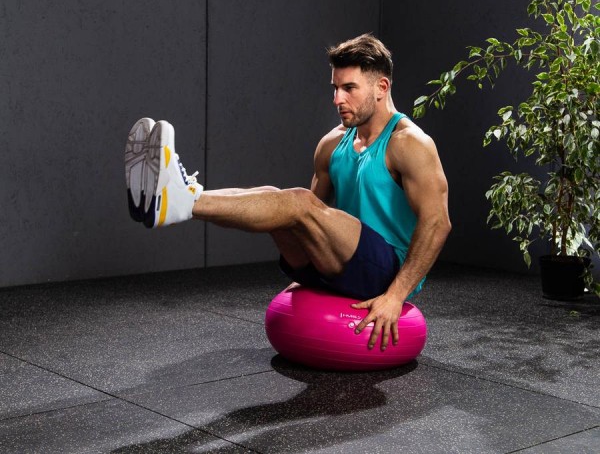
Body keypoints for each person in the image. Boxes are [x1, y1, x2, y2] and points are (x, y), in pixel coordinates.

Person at [125, 34, 451, 351]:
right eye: (335, 88)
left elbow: (437, 223)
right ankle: (178, 199)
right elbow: (310, 216)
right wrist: (307, 272)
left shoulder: (409, 143)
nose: (337, 99)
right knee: (278, 199)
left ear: (381, 87)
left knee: (296, 202)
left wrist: (395, 296)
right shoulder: (333, 142)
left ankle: (182, 199)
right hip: (340, 261)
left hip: (385, 271)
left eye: (349, 88)